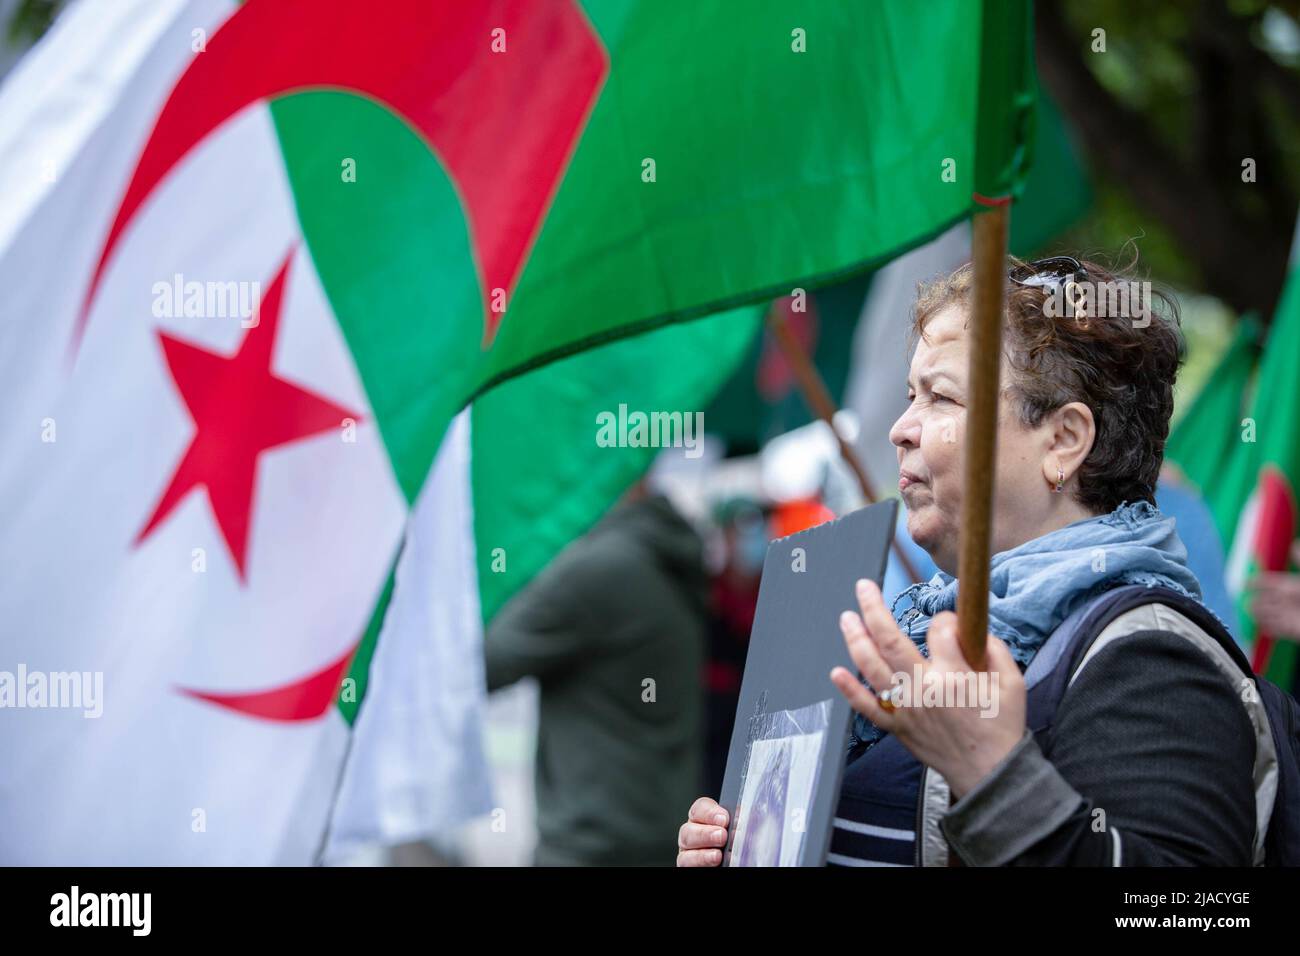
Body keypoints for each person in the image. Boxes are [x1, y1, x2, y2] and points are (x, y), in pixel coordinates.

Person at [678, 255, 1276, 867]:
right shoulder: (933, 625)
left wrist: (993, 779)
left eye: (940, 397)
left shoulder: (1149, 656)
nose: (901, 428)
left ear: (1064, 440)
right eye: (911, 395)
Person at [486, 482, 708, 866]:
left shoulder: (601, 567)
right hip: (658, 833)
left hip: (592, 844)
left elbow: (483, 664)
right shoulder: (664, 553)